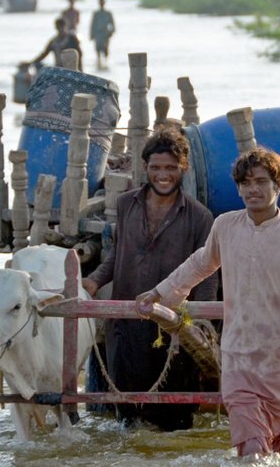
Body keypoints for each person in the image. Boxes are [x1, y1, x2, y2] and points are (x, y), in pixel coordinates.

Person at [136, 147, 280, 457]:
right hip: (238, 357)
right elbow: (201, 263)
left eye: (261, 182)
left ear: (278, 185)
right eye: (246, 183)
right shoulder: (225, 226)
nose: (253, 190)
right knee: (251, 452)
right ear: (238, 188)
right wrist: (159, 292)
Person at [83, 128, 217, 431]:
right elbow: (118, 253)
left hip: (173, 331)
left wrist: (202, 322)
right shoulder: (127, 204)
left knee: (174, 423)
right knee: (127, 420)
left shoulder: (200, 217)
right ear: (145, 168)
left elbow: (207, 272)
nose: (163, 175)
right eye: (156, 168)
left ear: (184, 168)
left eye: (170, 167)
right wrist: (93, 280)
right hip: (127, 323)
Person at [89, 0, 116, 69]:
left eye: (102, 2)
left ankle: (106, 63)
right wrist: (91, 35)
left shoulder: (108, 13)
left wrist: (112, 32)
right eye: (100, 2)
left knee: (105, 49)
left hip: (105, 34)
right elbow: (92, 24)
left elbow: (112, 24)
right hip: (97, 34)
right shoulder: (96, 13)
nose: (101, 3)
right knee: (98, 49)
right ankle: (99, 63)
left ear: (104, 3)